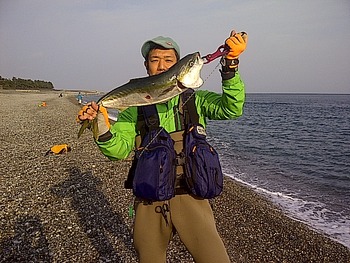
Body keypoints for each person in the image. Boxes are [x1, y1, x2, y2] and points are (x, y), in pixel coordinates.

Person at [77, 29, 247, 263]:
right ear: (146, 66)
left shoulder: (197, 100)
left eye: (169, 60)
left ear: (178, 66)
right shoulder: (134, 107)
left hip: (192, 195)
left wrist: (230, 66)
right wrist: (100, 125)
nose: (162, 65)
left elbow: (232, 108)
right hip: (150, 199)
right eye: (155, 60)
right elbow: (117, 151)